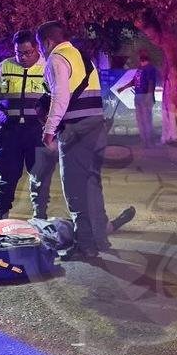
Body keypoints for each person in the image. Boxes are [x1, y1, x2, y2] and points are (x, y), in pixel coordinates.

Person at [37, 21, 110, 260]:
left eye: (40, 45)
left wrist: (49, 129)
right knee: (92, 184)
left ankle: (85, 246)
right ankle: (100, 240)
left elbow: (60, 97)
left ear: (47, 42)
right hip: (97, 125)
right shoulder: (83, 57)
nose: (42, 51)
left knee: (75, 187)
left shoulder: (56, 59)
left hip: (75, 129)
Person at [0, 30, 54, 221]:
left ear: (36, 49)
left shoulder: (47, 68)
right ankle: (0, 219)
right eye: (18, 53)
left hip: (36, 132)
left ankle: (40, 219)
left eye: (27, 52)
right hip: (8, 132)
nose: (22, 57)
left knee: (39, 177)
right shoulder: (4, 66)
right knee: (6, 177)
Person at [116, 50, 159, 147]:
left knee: (147, 120)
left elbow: (151, 82)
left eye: (139, 56)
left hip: (145, 96)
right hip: (138, 96)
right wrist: (123, 88)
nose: (138, 58)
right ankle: (144, 141)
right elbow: (134, 81)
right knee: (140, 120)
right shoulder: (140, 68)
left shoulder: (150, 68)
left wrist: (149, 96)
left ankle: (149, 141)